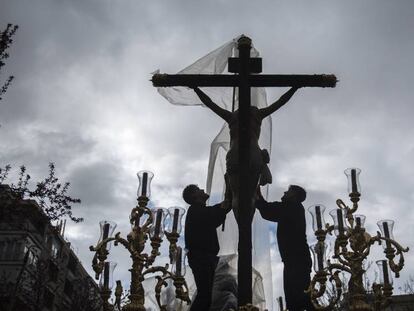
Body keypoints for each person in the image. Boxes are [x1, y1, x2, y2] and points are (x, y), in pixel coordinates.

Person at [192, 86, 299, 223]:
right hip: (253, 154)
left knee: (237, 194)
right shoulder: (257, 114)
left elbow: (210, 103)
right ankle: (246, 225)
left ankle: (242, 224)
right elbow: (281, 101)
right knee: (251, 194)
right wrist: (294, 88)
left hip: (235, 155)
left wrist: (196, 89)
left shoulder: (232, 116)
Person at [256, 185, 315, 311]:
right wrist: (258, 198)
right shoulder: (292, 208)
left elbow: (268, 210)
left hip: (297, 261)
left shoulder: (292, 207)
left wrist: (257, 198)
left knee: (298, 298)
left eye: (288, 191)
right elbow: (268, 210)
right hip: (295, 261)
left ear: (293, 195)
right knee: (298, 299)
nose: (284, 192)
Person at [183, 184, 231, 311]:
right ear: (194, 196)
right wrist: (223, 206)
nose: (203, 190)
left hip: (205, 258)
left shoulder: (199, 211)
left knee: (206, 295)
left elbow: (214, 214)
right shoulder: (195, 210)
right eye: (199, 190)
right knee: (205, 295)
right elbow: (212, 215)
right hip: (201, 258)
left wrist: (225, 204)